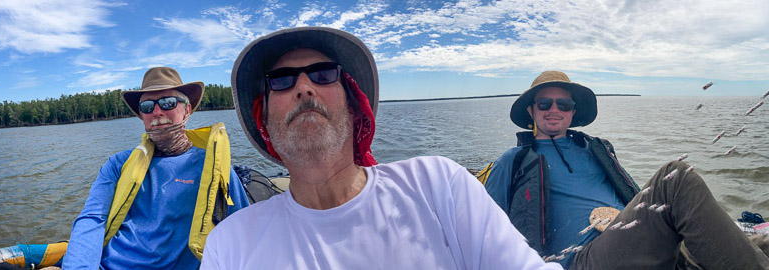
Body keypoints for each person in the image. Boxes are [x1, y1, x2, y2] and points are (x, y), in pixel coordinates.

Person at [201, 26, 562, 269]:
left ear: (355, 106)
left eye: (324, 73)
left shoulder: (439, 187)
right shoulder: (229, 245)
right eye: (281, 80)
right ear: (264, 121)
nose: (304, 87)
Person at [482, 70, 769, 269]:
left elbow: (631, 199)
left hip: (632, 243)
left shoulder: (595, 149)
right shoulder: (513, 161)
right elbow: (483, 227)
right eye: (546, 104)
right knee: (675, 177)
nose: (555, 110)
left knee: (752, 244)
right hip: (580, 260)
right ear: (531, 111)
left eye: (564, 104)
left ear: (575, 112)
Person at [65, 67, 250, 269]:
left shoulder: (214, 169)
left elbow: (244, 234)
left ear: (187, 110)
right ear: (142, 115)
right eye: (147, 106)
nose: (157, 112)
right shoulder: (117, 164)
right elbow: (92, 218)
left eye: (167, 103)